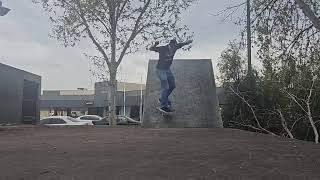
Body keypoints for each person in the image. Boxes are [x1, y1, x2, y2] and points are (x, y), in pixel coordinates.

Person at [149, 38, 193, 113]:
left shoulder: (175, 47)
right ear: (169, 45)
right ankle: (164, 105)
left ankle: (162, 98)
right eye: (171, 48)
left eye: (174, 48)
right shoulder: (163, 48)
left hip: (167, 70)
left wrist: (188, 42)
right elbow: (151, 49)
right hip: (160, 70)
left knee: (172, 85)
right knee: (165, 85)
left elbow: (182, 44)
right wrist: (155, 44)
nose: (172, 50)